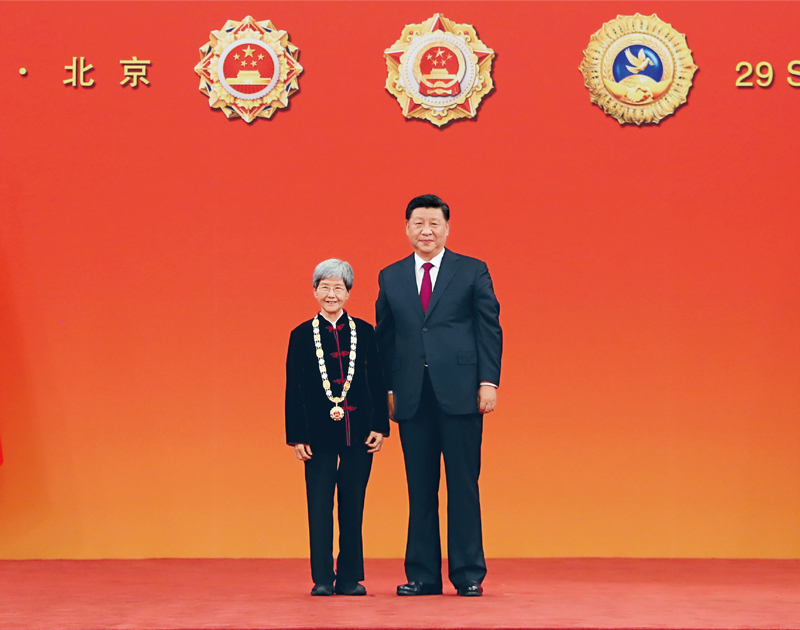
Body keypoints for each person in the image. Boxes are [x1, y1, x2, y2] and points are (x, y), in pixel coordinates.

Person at [376, 194, 502, 597]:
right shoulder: (391, 276)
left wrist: (488, 382)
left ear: (447, 228)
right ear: (406, 228)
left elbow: (489, 328)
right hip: (411, 396)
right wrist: (387, 389)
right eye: (418, 223)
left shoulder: (472, 270)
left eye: (434, 223)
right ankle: (423, 576)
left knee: (463, 486)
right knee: (420, 489)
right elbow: (385, 338)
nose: (426, 231)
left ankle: (468, 574)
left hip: (462, 393)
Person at [285, 259, 389, 596]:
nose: (332, 294)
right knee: (318, 505)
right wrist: (297, 436)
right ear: (315, 291)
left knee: (353, 504)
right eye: (325, 287)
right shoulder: (301, 335)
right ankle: (322, 578)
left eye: (339, 288)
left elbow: (377, 381)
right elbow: (294, 388)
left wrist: (380, 426)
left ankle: (349, 577)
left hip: (359, 432)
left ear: (348, 293)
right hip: (316, 435)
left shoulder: (365, 332)